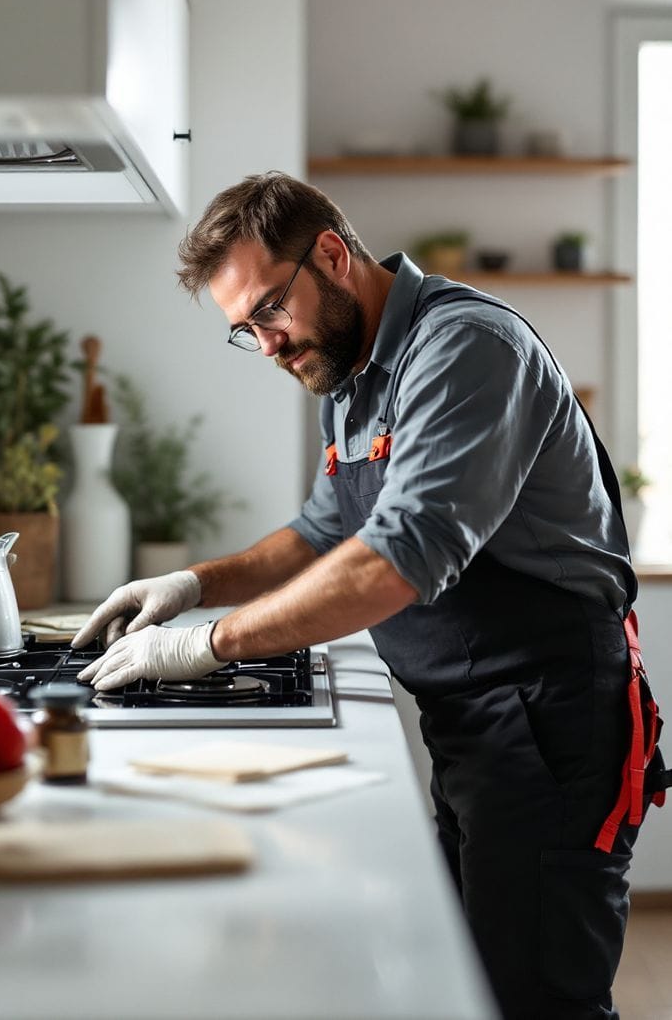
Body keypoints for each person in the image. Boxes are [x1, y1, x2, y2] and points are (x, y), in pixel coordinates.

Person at [74, 171, 670, 1020]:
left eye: (270, 310)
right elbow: (321, 532)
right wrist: (192, 585)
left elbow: (398, 558)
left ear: (330, 254)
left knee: (541, 1003)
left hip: (550, 719)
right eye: (246, 329)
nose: (268, 344)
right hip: (473, 723)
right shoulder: (349, 372)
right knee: (478, 989)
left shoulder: (464, 349)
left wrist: (207, 642)